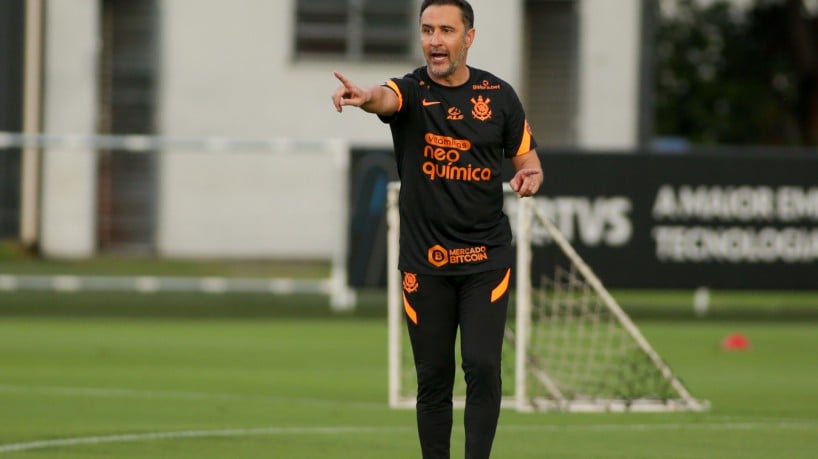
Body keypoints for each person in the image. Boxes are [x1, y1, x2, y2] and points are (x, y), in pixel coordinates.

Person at [332, 1, 542, 457]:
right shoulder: (411, 89)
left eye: (446, 30)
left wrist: (531, 174)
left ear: (469, 37)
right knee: (433, 378)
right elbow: (384, 97)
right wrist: (364, 96)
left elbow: (526, 158)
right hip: (424, 262)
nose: (434, 40)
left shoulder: (499, 95)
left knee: (483, 365)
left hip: (485, 258)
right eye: (427, 30)